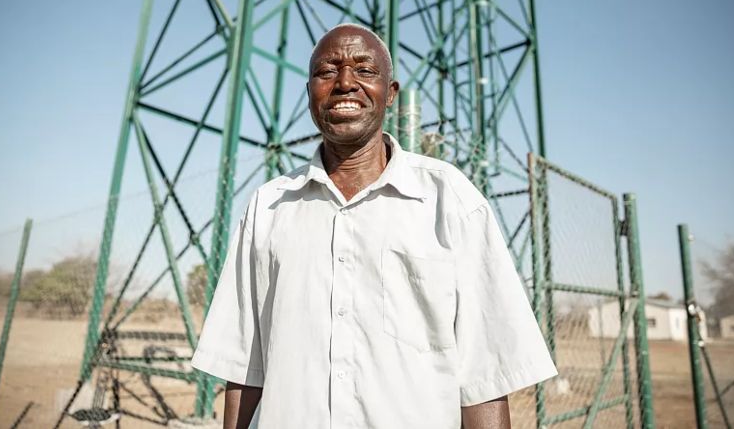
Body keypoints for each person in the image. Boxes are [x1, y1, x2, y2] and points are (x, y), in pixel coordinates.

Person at [192, 24, 557, 429]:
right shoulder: (269, 206)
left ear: (392, 94)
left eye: (365, 71)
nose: (345, 83)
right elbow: (244, 367)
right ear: (310, 91)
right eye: (327, 71)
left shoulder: (450, 200)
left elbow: (484, 381)